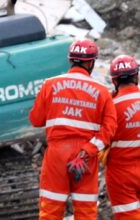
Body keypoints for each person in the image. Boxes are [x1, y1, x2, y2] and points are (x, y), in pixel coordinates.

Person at [29, 39, 117, 219]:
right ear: (91, 62)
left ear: (70, 60)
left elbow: (36, 120)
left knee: (50, 210)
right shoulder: (102, 91)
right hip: (85, 157)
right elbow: (109, 130)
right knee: (85, 211)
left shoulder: (50, 85)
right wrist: (88, 150)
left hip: (56, 154)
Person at [104, 55, 140, 219]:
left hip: (121, 172)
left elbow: (103, 138)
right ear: (136, 76)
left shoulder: (113, 106)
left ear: (114, 81)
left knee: (128, 215)